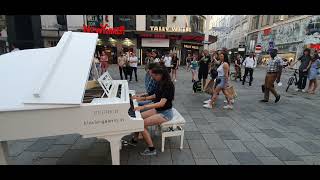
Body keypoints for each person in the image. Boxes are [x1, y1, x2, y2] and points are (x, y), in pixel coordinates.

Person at [132, 66, 175, 156]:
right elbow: (155, 95)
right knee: (137, 118)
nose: (152, 78)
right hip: (158, 110)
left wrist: (143, 107)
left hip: (165, 113)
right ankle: (135, 139)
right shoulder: (160, 82)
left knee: (141, 124)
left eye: (154, 76)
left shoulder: (168, 85)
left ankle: (151, 149)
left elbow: (161, 103)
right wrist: (141, 98)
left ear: (160, 75)